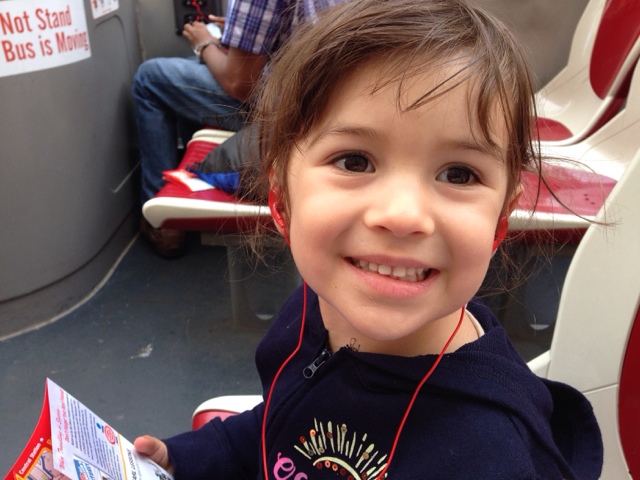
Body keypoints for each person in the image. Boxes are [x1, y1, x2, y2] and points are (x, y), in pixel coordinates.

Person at [134, 0, 604, 478]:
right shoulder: (312, 309)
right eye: (355, 162)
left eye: (458, 174)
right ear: (281, 201)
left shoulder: (490, 457)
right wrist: (188, 458)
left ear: (500, 222)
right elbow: (276, 425)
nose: (402, 216)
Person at [133, 0, 341, 257]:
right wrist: (237, 35)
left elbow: (238, 83)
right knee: (192, 70)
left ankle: (162, 226)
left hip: (289, 112)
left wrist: (203, 42)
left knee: (150, 78)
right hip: (329, 97)